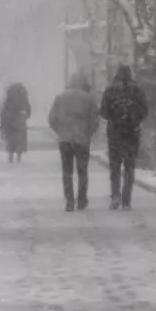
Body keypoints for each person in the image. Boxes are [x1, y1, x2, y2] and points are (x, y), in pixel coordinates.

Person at [48, 73, 100, 211]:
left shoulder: (60, 97)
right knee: (82, 170)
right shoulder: (88, 99)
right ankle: (82, 199)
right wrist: (89, 132)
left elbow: (52, 118)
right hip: (82, 139)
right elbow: (95, 119)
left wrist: (61, 131)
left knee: (67, 171)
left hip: (65, 140)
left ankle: (69, 201)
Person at [100, 64, 149, 210]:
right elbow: (145, 111)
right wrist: (134, 119)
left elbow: (103, 113)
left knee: (115, 166)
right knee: (129, 166)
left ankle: (115, 195)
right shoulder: (137, 90)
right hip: (132, 133)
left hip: (115, 133)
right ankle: (126, 199)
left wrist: (114, 116)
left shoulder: (110, 90)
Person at [0, 83, 32, 163]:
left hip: (10, 121)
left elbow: (4, 112)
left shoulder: (8, 99)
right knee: (19, 140)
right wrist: (25, 116)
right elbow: (28, 110)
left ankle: (11, 155)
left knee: (11, 140)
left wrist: (3, 124)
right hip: (20, 122)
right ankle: (18, 155)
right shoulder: (23, 99)